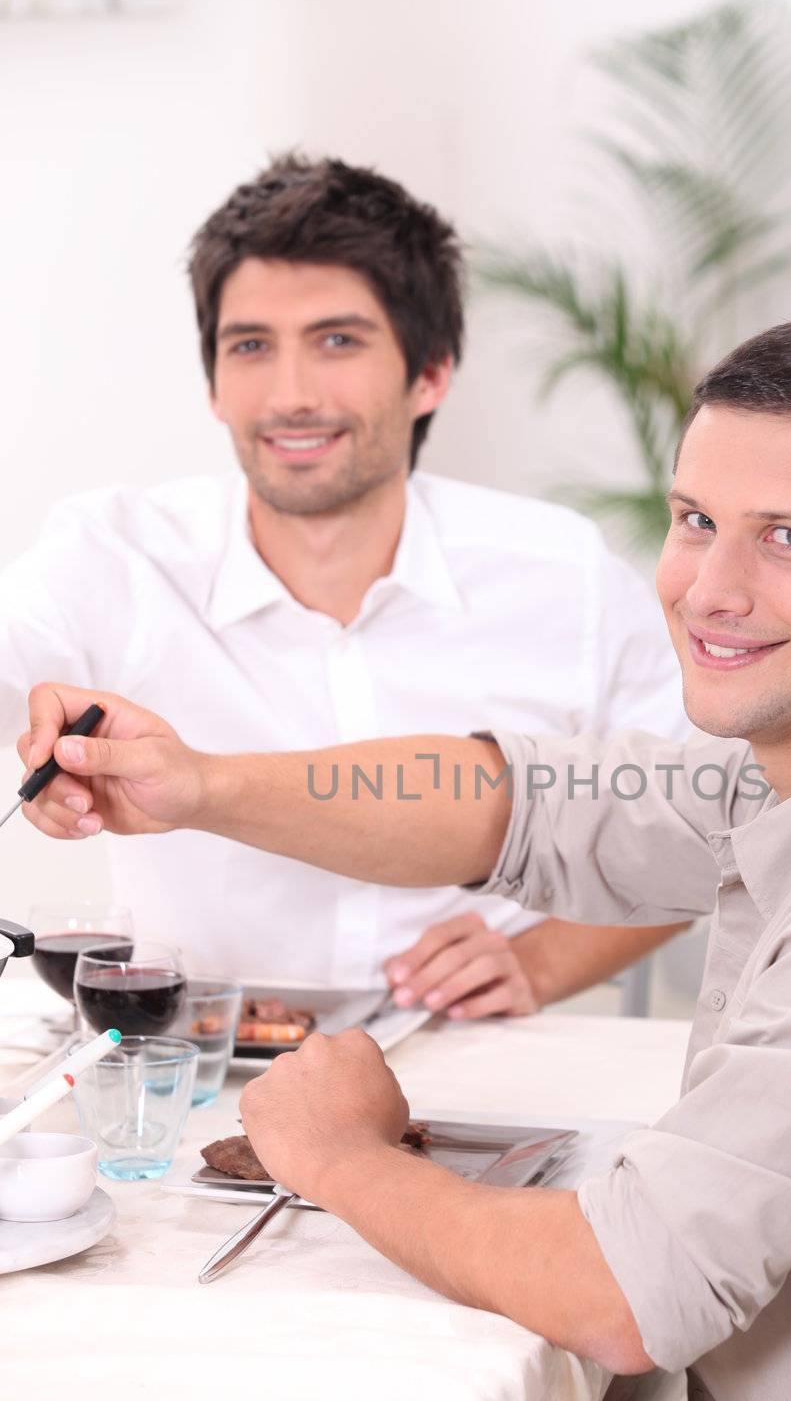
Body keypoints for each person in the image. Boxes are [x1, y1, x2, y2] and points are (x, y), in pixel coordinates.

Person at [18, 313, 791, 1401]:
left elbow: (625, 1293)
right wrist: (196, 783)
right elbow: (526, 799)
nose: (708, 589)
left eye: (786, 539)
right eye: (694, 522)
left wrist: (338, 1154)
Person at [0, 153, 691, 1016]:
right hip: (186, 1063)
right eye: (250, 346)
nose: (291, 395)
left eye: (337, 341)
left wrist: (544, 961)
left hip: (476, 1063)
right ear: (214, 382)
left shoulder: (564, 578)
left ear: (430, 371)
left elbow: (703, 822)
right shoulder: (113, 556)